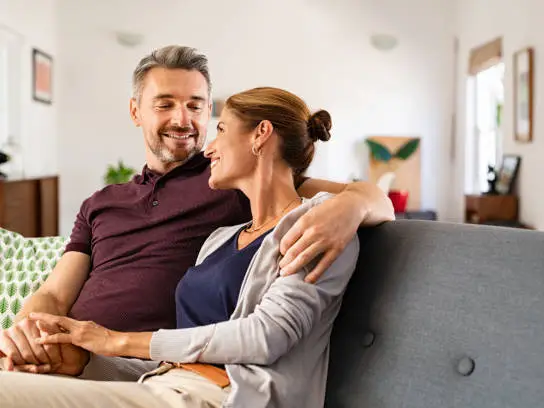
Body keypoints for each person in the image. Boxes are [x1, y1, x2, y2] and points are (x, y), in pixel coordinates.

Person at [0, 45, 393, 375]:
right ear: (136, 112)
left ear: (209, 112)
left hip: (155, 367)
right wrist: (25, 336)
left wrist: (353, 205)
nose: (182, 119)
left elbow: (371, 198)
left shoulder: (235, 178)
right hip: (75, 359)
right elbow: (53, 292)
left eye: (195, 105)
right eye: (165, 104)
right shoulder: (100, 203)